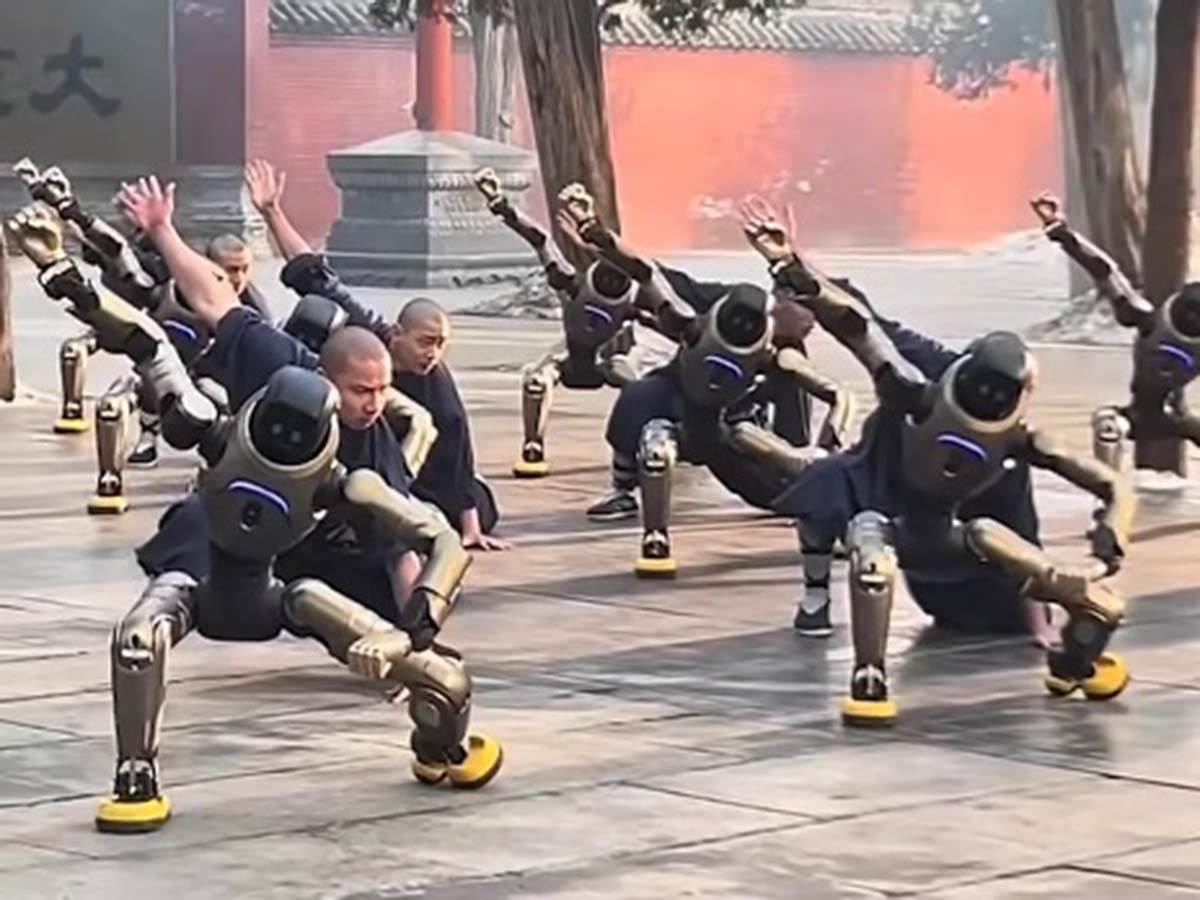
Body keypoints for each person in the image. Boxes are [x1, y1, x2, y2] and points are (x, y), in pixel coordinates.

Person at [741, 197, 1135, 726]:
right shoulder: (919, 388)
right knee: (846, 514)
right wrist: (791, 265)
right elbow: (856, 321)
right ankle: (863, 668)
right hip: (885, 520)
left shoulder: (1015, 441)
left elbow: (1103, 487)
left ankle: (1073, 665)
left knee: (1095, 600)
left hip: (965, 557)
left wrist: (1111, 534)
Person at [557, 183, 854, 577]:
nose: (813, 324)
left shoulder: (787, 357)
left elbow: (832, 399)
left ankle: (817, 506)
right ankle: (625, 493)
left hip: (733, 429)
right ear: (783, 302)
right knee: (642, 398)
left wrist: (816, 455)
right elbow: (654, 276)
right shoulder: (726, 309)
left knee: (773, 472)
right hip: (678, 398)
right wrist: (597, 235)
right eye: (808, 314)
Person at [245, 159, 509, 551]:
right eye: (425, 342)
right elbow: (314, 278)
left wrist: (470, 527)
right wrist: (272, 212)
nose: (432, 354)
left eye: (440, 344)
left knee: (446, 518)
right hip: (361, 468)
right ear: (398, 336)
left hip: (419, 478)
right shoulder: (367, 339)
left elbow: (456, 447)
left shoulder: (435, 377)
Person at [472, 166, 663, 478]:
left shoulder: (632, 299)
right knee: (536, 380)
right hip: (571, 355)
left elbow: (671, 316)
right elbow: (540, 240)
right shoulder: (574, 283)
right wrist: (500, 203)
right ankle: (533, 445)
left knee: (641, 389)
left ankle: (645, 443)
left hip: (612, 359)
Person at [1032, 193, 1200, 477]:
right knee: (1108, 427)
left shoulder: (1149, 320)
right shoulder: (1148, 320)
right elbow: (1105, 271)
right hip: (1137, 414)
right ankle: (1111, 492)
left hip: (1176, 416)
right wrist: (1061, 232)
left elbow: (1105, 271)